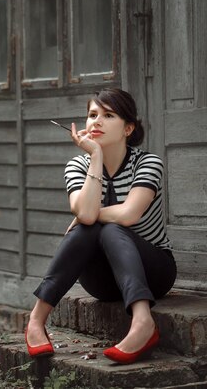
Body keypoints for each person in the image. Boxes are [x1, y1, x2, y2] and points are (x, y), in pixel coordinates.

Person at [25, 88, 177, 364]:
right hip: (101, 282)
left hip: (153, 270)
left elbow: (129, 214)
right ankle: (36, 320)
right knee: (91, 226)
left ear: (128, 128)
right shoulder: (77, 165)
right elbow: (85, 214)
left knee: (104, 226)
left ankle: (143, 321)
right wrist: (95, 157)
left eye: (108, 115)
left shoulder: (148, 163)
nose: (96, 122)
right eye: (92, 115)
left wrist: (90, 215)